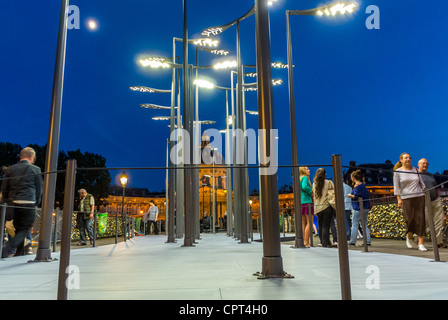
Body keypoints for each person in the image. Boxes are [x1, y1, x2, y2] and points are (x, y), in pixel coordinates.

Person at [1, 147, 43, 258]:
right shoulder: (36, 169)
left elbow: (5, 188)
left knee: (17, 229)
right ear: (31, 157)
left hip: (13, 204)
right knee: (24, 230)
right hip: (28, 202)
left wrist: (6, 203)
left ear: (21, 156)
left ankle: (19, 253)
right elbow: (39, 190)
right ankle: (6, 250)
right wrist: (36, 204)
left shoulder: (10, 169)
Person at [393, 152, 427, 251]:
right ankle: (408, 237)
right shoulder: (398, 172)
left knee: (420, 219)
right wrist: (399, 199)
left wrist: (426, 191)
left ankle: (421, 244)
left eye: (409, 157)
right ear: (401, 160)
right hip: (406, 198)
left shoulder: (416, 170)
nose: (408, 159)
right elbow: (396, 187)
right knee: (409, 220)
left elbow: (422, 183)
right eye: (405, 158)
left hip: (419, 197)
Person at [418, 158, 445, 248]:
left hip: (435, 200)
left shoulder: (431, 175)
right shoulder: (415, 175)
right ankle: (418, 238)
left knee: (439, 221)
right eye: (423, 163)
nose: (425, 165)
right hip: (424, 201)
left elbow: (437, 187)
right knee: (426, 221)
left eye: (427, 164)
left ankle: (438, 242)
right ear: (419, 164)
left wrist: (438, 197)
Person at [312, 168, 336, 248]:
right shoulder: (328, 182)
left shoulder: (314, 184)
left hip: (318, 208)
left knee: (321, 225)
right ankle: (326, 243)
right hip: (326, 207)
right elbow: (333, 193)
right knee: (326, 226)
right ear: (325, 174)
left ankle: (323, 242)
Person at [347, 170, 371, 246]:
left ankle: (352, 241)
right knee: (364, 224)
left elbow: (357, 196)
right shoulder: (363, 185)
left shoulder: (357, 186)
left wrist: (350, 195)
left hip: (358, 207)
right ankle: (367, 241)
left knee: (354, 224)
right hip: (366, 207)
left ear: (353, 178)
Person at [299, 166, 314, 247]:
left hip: (301, 202)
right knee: (310, 222)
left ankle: (304, 240)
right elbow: (304, 187)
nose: (309, 170)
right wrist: (311, 191)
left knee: (303, 223)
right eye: (307, 169)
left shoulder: (299, 178)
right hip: (307, 201)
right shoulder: (305, 178)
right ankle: (306, 242)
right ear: (303, 171)